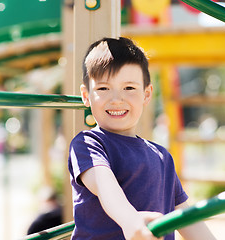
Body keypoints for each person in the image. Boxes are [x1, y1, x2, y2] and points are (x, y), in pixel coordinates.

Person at [68, 37, 216, 240]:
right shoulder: (88, 144)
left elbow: (186, 218)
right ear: (86, 95)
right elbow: (104, 186)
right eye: (103, 88)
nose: (116, 99)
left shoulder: (162, 156)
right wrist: (130, 220)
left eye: (129, 88)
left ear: (147, 95)